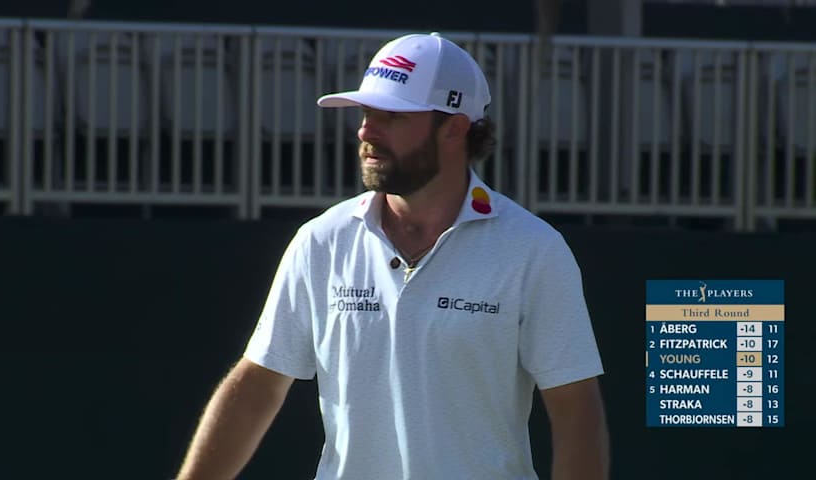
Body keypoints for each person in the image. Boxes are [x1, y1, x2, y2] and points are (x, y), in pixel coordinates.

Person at [176, 32, 609, 480]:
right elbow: (258, 385)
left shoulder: (533, 249)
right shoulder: (321, 240)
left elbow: (576, 410)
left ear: (455, 128)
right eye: (366, 113)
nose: (366, 130)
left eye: (392, 116)